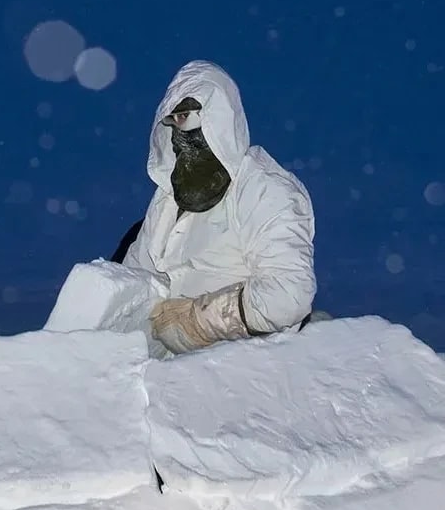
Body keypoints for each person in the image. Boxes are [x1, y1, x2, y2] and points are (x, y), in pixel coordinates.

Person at [127, 60, 319, 355]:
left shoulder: (264, 189)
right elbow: (134, 280)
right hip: (164, 377)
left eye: (188, 116)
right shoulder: (167, 198)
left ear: (219, 118)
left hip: (242, 373)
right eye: (172, 119)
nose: (180, 131)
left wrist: (198, 321)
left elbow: (289, 294)